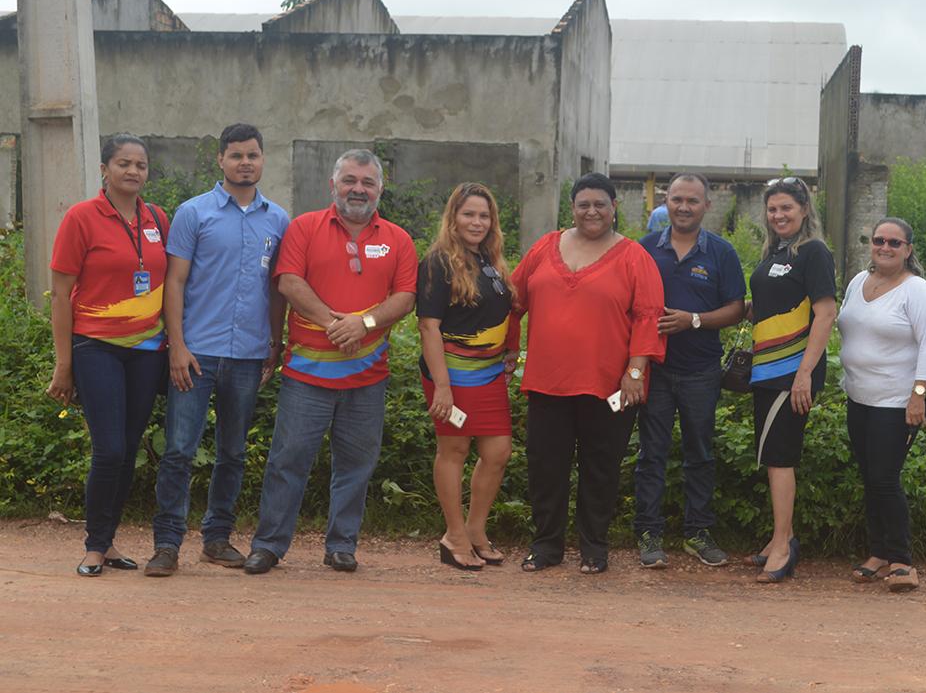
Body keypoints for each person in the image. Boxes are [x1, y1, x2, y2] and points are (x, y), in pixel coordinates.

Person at [243, 149, 417, 575]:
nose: (358, 189)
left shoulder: (399, 239)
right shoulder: (304, 228)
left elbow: (406, 297)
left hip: (367, 377)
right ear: (333, 185)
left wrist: (366, 322)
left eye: (368, 182)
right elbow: (287, 281)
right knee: (288, 460)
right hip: (307, 375)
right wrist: (335, 323)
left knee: (356, 464)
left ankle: (342, 545)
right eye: (350, 181)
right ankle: (268, 545)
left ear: (380, 188)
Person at [145, 124, 289, 576]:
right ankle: (167, 544)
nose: (245, 162)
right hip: (196, 354)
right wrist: (177, 345)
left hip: (248, 355)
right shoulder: (194, 213)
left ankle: (217, 539)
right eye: (235, 155)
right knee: (179, 451)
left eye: (252, 155)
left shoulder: (279, 220)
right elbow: (176, 281)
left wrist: (275, 340)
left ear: (263, 159)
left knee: (234, 452)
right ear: (220, 161)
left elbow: (278, 289)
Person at [509, 172, 665, 574]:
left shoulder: (634, 257)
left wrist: (635, 371)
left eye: (600, 204)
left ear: (614, 208)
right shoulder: (545, 247)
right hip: (547, 380)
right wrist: (509, 349)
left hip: (609, 384)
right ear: (572, 208)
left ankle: (594, 547)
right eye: (583, 204)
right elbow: (513, 301)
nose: (591, 211)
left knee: (601, 467)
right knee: (546, 466)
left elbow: (648, 318)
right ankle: (546, 545)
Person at [46, 134, 169, 577]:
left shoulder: (157, 218)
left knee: (129, 447)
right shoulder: (81, 218)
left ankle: (110, 540)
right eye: (123, 163)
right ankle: (95, 546)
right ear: (104, 169)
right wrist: (65, 364)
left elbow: (169, 284)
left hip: (148, 350)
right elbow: (60, 295)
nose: (133, 171)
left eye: (140, 164)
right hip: (95, 345)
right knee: (109, 448)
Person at [634, 173, 745, 568]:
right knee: (652, 454)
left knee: (700, 453)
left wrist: (693, 320)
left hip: (701, 371)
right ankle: (649, 533)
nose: (684, 207)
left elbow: (736, 308)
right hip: (656, 369)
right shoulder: (644, 250)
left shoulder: (721, 253)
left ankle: (697, 533)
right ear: (666, 202)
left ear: (706, 206)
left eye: (692, 201)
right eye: (677, 199)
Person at [837, 217, 926, 592]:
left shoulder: (918, 291)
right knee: (870, 478)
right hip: (859, 396)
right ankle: (879, 553)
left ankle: (902, 560)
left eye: (894, 243)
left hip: (897, 401)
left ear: (908, 250)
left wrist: (918, 395)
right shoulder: (856, 282)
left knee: (884, 478)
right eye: (879, 240)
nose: (885, 247)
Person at [417, 183, 517, 571]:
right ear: (453, 219)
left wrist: (509, 352)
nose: (477, 222)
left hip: (490, 374)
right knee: (454, 451)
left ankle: (476, 531)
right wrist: (442, 385)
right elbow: (428, 326)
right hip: (451, 373)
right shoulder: (438, 262)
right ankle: (454, 535)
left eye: (484, 215)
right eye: (468, 214)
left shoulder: (491, 260)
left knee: (498, 452)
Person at [745, 177, 836, 583]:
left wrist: (803, 374)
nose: (779, 215)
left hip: (792, 372)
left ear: (804, 210)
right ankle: (779, 536)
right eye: (772, 209)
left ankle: (784, 545)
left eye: (787, 208)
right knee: (770, 455)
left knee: (780, 458)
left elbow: (826, 313)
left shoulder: (813, 252)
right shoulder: (774, 253)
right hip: (767, 369)